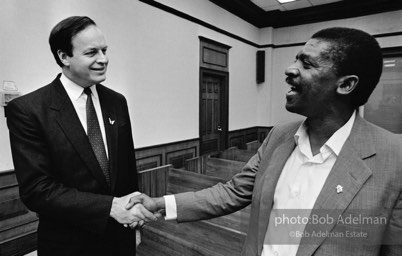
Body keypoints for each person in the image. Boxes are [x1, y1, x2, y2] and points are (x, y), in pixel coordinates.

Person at [128, 27, 402, 255]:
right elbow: (232, 192)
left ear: (345, 85)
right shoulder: (279, 136)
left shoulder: (395, 159)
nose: (289, 69)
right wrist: (159, 203)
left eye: (306, 64)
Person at [7, 16, 156, 256]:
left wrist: (134, 225)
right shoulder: (28, 110)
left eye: (105, 50)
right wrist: (109, 207)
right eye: (91, 53)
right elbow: (37, 190)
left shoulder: (117, 101)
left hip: (120, 238)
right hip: (69, 244)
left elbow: (126, 171)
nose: (103, 59)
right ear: (64, 57)